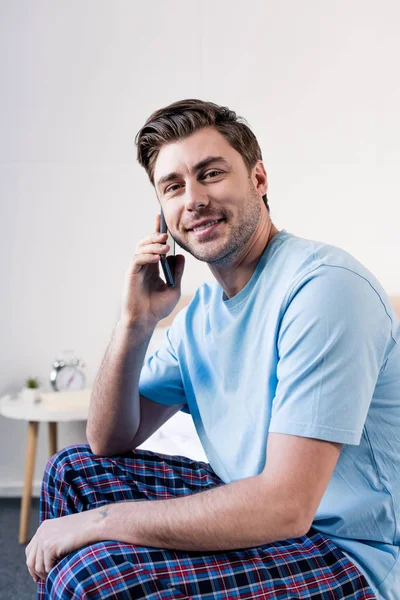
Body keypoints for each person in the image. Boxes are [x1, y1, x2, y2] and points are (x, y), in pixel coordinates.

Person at [28, 99, 399, 600]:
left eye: (211, 174)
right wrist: (135, 322)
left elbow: (286, 507)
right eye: (173, 187)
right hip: (259, 511)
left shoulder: (323, 289)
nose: (194, 200)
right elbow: (108, 440)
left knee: (90, 573)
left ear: (259, 179)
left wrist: (103, 523)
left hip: (344, 548)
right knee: (72, 472)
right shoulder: (200, 314)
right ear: (163, 214)